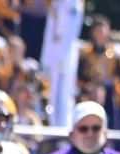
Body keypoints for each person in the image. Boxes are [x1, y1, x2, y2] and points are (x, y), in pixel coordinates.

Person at [38, 0, 83, 128]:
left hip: (64, 55)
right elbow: (50, 32)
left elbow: (70, 31)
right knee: (51, 92)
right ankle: (52, 124)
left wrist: (63, 55)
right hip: (53, 54)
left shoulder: (72, 3)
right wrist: (46, 58)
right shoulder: (56, 3)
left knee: (63, 92)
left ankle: (63, 126)